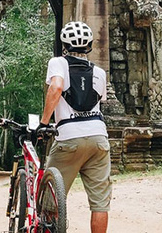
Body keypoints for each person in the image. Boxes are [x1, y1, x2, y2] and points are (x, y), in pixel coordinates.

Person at [39, 21, 111, 233]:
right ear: (89, 46)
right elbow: (98, 102)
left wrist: (45, 123)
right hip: (99, 138)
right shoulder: (99, 72)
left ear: (64, 45)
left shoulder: (58, 63)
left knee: (51, 198)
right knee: (100, 203)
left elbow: (57, 87)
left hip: (69, 137)